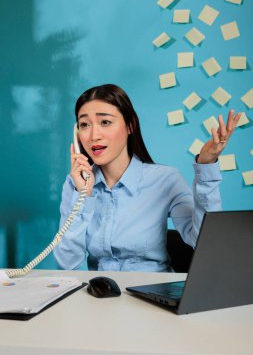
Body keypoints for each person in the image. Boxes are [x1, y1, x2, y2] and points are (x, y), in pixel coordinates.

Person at [53, 84, 241, 272]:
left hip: (151, 293)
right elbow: (67, 262)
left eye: (105, 122)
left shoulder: (165, 179)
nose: (94, 136)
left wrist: (206, 165)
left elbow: (205, 243)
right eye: (84, 125)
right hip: (101, 295)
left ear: (130, 125)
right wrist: (83, 196)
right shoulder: (76, 184)